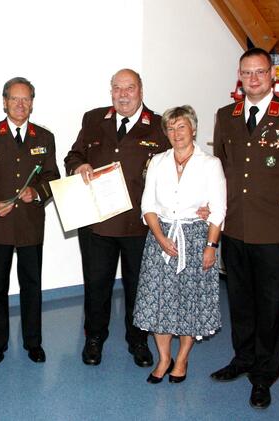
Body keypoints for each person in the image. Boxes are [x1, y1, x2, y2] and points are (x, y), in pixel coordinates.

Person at [211, 48, 279, 409]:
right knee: (239, 301)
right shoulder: (225, 116)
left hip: (273, 229)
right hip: (235, 226)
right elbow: (222, 171)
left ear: (271, 76)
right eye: (246, 73)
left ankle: (264, 375)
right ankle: (243, 359)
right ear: (238, 77)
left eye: (259, 72)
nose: (253, 79)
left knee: (270, 305)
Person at [64, 69, 169, 367]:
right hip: (97, 223)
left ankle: (137, 340)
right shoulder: (94, 119)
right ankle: (94, 339)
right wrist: (79, 165)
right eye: (117, 88)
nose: (123, 94)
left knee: (138, 287)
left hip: (140, 225)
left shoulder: (160, 125)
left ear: (141, 90)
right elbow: (72, 155)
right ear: (110, 91)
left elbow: (175, 170)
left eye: (129, 88)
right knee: (96, 285)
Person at [0, 77, 60, 364]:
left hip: (31, 226)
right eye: (15, 99)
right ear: (5, 101)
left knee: (31, 285)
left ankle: (33, 342)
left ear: (32, 102)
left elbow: (52, 177)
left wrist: (38, 193)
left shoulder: (44, 137)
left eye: (26, 99)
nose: (21, 104)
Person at [133, 105, 226, 384]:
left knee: (189, 304)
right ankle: (163, 358)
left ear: (193, 129)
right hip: (159, 237)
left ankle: (182, 358)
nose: (176, 133)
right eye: (170, 128)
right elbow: (147, 204)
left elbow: (219, 209)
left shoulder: (210, 164)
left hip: (196, 239)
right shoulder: (158, 161)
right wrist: (161, 239)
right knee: (159, 303)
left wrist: (211, 245)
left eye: (181, 126)